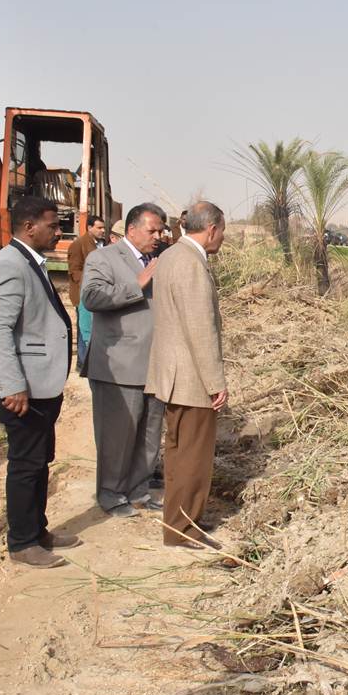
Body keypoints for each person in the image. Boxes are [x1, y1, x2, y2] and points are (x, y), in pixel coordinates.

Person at [0, 196, 82, 568]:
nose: (58, 232)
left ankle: (37, 530)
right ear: (29, 227)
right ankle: (23, 543)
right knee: (25, 465)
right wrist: (12, 385)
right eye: (53, 226)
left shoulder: (29, 262)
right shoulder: (10, 265)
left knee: (40, 461)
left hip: (41, 386)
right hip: (23, 390)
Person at [147, 200, 228, 550]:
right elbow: (200, 330)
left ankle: (179, 519)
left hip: (172, 372)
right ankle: (184, 529)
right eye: (222, 232)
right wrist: (215, 383)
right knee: (194, 456)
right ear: (211, 229)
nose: (222, 239)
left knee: (179, 453)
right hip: (191, 376)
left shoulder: (169, 256)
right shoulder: (192, 264)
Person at [81, 203, 168, 518]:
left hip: (155, 363)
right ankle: (111, 493)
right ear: (132, 229)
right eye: (152, 230)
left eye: (161, 230)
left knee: (149, 433)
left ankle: (138, 490)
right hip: (119, 365)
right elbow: (92, 297)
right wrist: (137, 284)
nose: (158, 236)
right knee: (117, 436)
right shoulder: (103, 258)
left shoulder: (160, 260)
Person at [68, 214, 108, 371]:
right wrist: (89, 283)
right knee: (84, 329)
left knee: (90, 328)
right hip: (83, 293)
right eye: (99, 227)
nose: (102, 230)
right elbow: (74, 270)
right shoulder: (78, 245)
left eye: (103, 227)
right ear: (89, 227)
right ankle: (83, 362)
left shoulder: (101, 244)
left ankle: (83, 362)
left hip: (97, 292)